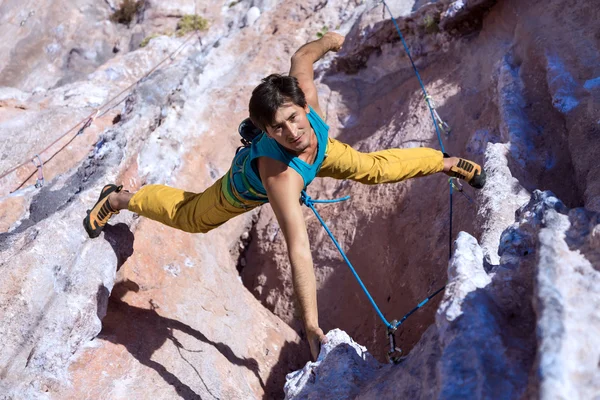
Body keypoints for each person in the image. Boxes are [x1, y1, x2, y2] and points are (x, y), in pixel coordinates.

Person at [84, 32, 486, 360]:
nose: (292, 130)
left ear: (303, 104)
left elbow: (302, 56)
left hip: (321, 153)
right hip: (242, 190)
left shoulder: (305, 99)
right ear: (268, 131)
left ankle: (445, 162)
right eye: (278, 128)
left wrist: (330, 41)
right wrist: (310, 323)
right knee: (192, 217)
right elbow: (299, 249)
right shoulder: (280, 180)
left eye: (294, 117)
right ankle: (119, 198)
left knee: (373, 168)